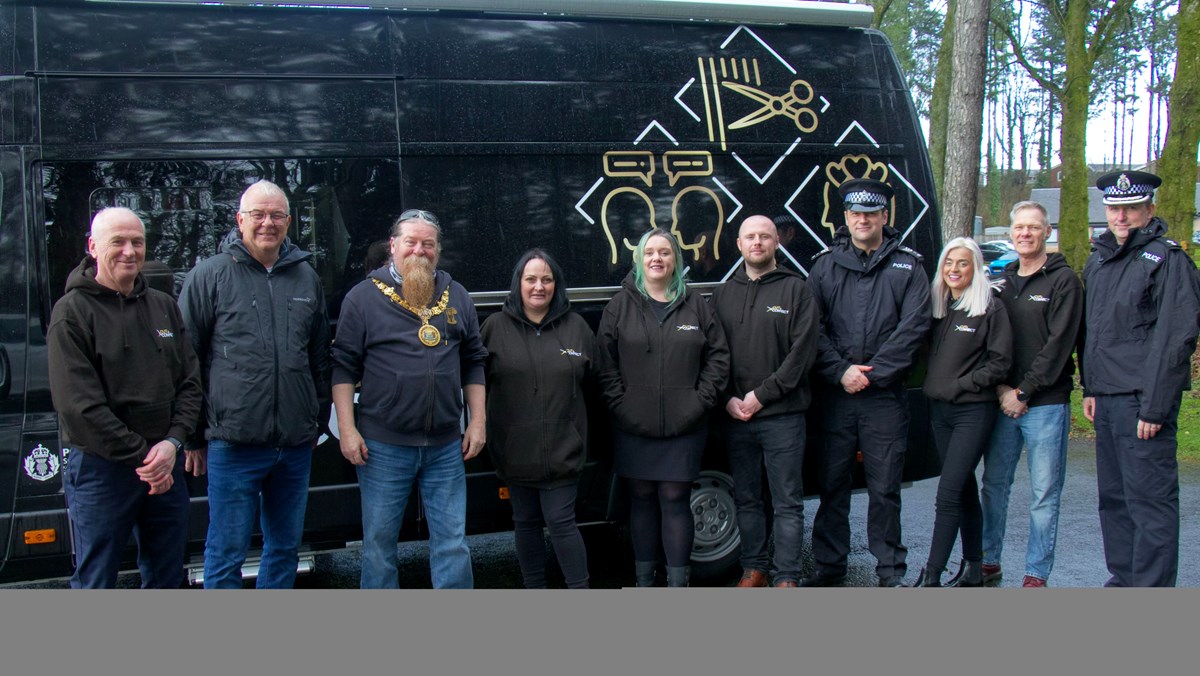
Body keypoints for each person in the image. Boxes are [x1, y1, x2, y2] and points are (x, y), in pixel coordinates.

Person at [179, 180, 332, 589]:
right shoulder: (209, 276)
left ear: (288, 221)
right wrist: (193, 436)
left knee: (284, 548)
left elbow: (318, 358)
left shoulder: (306, 278)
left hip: (295, 445)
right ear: (239, 220)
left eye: (277, 215)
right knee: (226, 551)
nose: (268, 223)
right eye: (258, 215)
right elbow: (186, 361)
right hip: (234, 443)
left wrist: (316, 422)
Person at [331, 209, 487, 589]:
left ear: (437, 250)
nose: (420, 250)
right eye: (411, 242)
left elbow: (473, 362)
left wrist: (478, 422)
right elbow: (343, 369)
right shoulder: (362, 298)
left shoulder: (458, 295)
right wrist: (347, 432)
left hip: (446, 445)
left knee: (452, 544)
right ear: (393, 246)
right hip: (383, 447)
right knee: (379, 546)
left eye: (428, 244)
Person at [48, 207, 203, 588]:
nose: (129, 251)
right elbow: (79, 407)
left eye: (137, 242)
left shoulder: (163, 306)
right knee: (97, 579)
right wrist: (146, 457)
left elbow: (190, 383)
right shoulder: (72, 313)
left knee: (167, 576)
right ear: (93, 246)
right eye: (117, 241)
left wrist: (171, 444)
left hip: (164, 464)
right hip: (104, 469)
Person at [804, 178, 931, 587]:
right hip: (835, 394)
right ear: (845, 218)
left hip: (884, 397)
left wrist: (872, 373)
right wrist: (841, 371)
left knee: (884, 489)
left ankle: (890, 571)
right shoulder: (824, 265)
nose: (863, 219)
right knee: (832, 485)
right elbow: (812, 329)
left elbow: (913, 329)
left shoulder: (908, 266)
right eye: (856, 213)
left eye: (871, 213)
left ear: (884, 217)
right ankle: (829, 567)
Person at [1081, 170, 1200, 587]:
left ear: (1149, 210)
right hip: (1108, 398)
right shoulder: (1099, 260)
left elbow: (1175, 338)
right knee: (1114, 501)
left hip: (1141, 402)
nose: (1122, 217)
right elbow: (1094, 331)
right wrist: (1091, 387)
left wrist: (1155, 406)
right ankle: (1125, 579)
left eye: (1131, 208)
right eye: (1115, 208)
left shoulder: (1168, 260)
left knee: (1149, 503)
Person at [596, 228, 730, 587]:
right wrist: (621, 406)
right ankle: (644, 582)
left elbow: (718, 358)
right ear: (638, 259)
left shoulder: (696, 304)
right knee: (640, 498)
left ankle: (677, 584)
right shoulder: (618, 306)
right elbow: (604, 364)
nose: (657, 258)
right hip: (632, 422)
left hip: (686, 423)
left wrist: (699, 401)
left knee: (674, 497)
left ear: (676, 260)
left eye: (665, 253)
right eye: (650, 252)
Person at [977, 201, 1083, 588]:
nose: (1025, 233)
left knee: (1043, 493)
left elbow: (1059, 346)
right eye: (1019, 227)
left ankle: (1036, 572)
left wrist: (1024, 391)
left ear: (1047, 231)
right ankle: (989, 560)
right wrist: (1004, 388)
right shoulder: (1002, 282)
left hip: (1045, 403)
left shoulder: (1064, 281)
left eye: (1033, 227)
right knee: (994, 484)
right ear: (1010, 233)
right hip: (1004, 399)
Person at [711, 215, 819, 588]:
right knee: (747, 499)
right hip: (736, 416)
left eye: (764, 237)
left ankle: (787, 576)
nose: (757, 242)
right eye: (750, 237)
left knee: (787, 501)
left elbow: (801, 357)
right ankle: (754, 569)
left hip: (782, 416)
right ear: (738, 244)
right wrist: (727, 399)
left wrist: (759, 397)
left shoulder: (797, 291)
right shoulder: (722, 295)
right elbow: (713, 355)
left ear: (777, 243)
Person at [480, 249, 593, 589]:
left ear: (556, 285)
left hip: (563, 450)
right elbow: (476, 384)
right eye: (530, 279)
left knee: (561, 522)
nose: (538, 287)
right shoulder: (494, 328)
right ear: (518, 284)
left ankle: (579, 589)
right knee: (525, 522)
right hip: (516, 451)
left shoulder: (577, 327)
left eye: (546, 279)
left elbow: (597, 380)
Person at [911, 238, 1012, 587]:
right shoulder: (938, 308)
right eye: (948, 263)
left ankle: (932, 575)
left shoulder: (988, 307)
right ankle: (973, 566)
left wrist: (962, 384)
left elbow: (1000, 363)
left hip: (972, 411)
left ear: (976, 267)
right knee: (964, 489)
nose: (954, 269)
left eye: (963, 263)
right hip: (939, 411)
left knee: (948, 493)